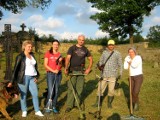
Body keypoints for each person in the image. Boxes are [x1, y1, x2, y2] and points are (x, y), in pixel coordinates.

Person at [7, 40, 44, 117]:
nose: (30, 48)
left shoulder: (32, 55)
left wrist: (36, 76)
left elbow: (35, 67)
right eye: (28, 47)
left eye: (31, 47)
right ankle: (24, 110)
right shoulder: (20, 56)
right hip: (23, 78)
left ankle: (37, 110)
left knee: (35, 94)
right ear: (24, 47)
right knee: (24, 95)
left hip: (32, 78)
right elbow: (16, 69)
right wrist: (11, 81)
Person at [64, 35, 93, 113]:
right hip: (72, 71)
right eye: (80, 40)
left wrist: (88, 69)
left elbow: (90, 59)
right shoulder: (72, 48)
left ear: (84, 41)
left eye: (83, 40)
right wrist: (66, 68)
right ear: (77, 40)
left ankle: (77, 104)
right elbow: (68, 58)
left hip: (81, 71)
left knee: (79, 88)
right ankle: (69, 105)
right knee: (71, 88)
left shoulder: (85, 49)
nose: (81, 41)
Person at [92, 39, 122, 108]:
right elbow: (101, 61)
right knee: (100, 88)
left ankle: (109, 103)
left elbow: (120, 64)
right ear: (108, 45)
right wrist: (98, 65)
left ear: (114, 45)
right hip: (104, 74)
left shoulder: (117, 53)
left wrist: (120, 73)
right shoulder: (104, 53)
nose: (111, 46)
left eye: (112, 45)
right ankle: (97, 103)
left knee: (111, 90)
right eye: (109, 45)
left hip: (113, 74)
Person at [44, 39, 64, 114]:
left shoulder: (60, 54)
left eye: (57, 44)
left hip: (58, 74)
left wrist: (61, 62)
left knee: (56, 90)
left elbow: (61, 65)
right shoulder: (48, 53)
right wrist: (53, 70)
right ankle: (48, 106)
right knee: (51, 90)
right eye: (54, 44)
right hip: (50, 74)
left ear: (58, 46)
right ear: (52, 45)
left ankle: (54, 106)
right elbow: (45, 65)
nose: (56, 46)